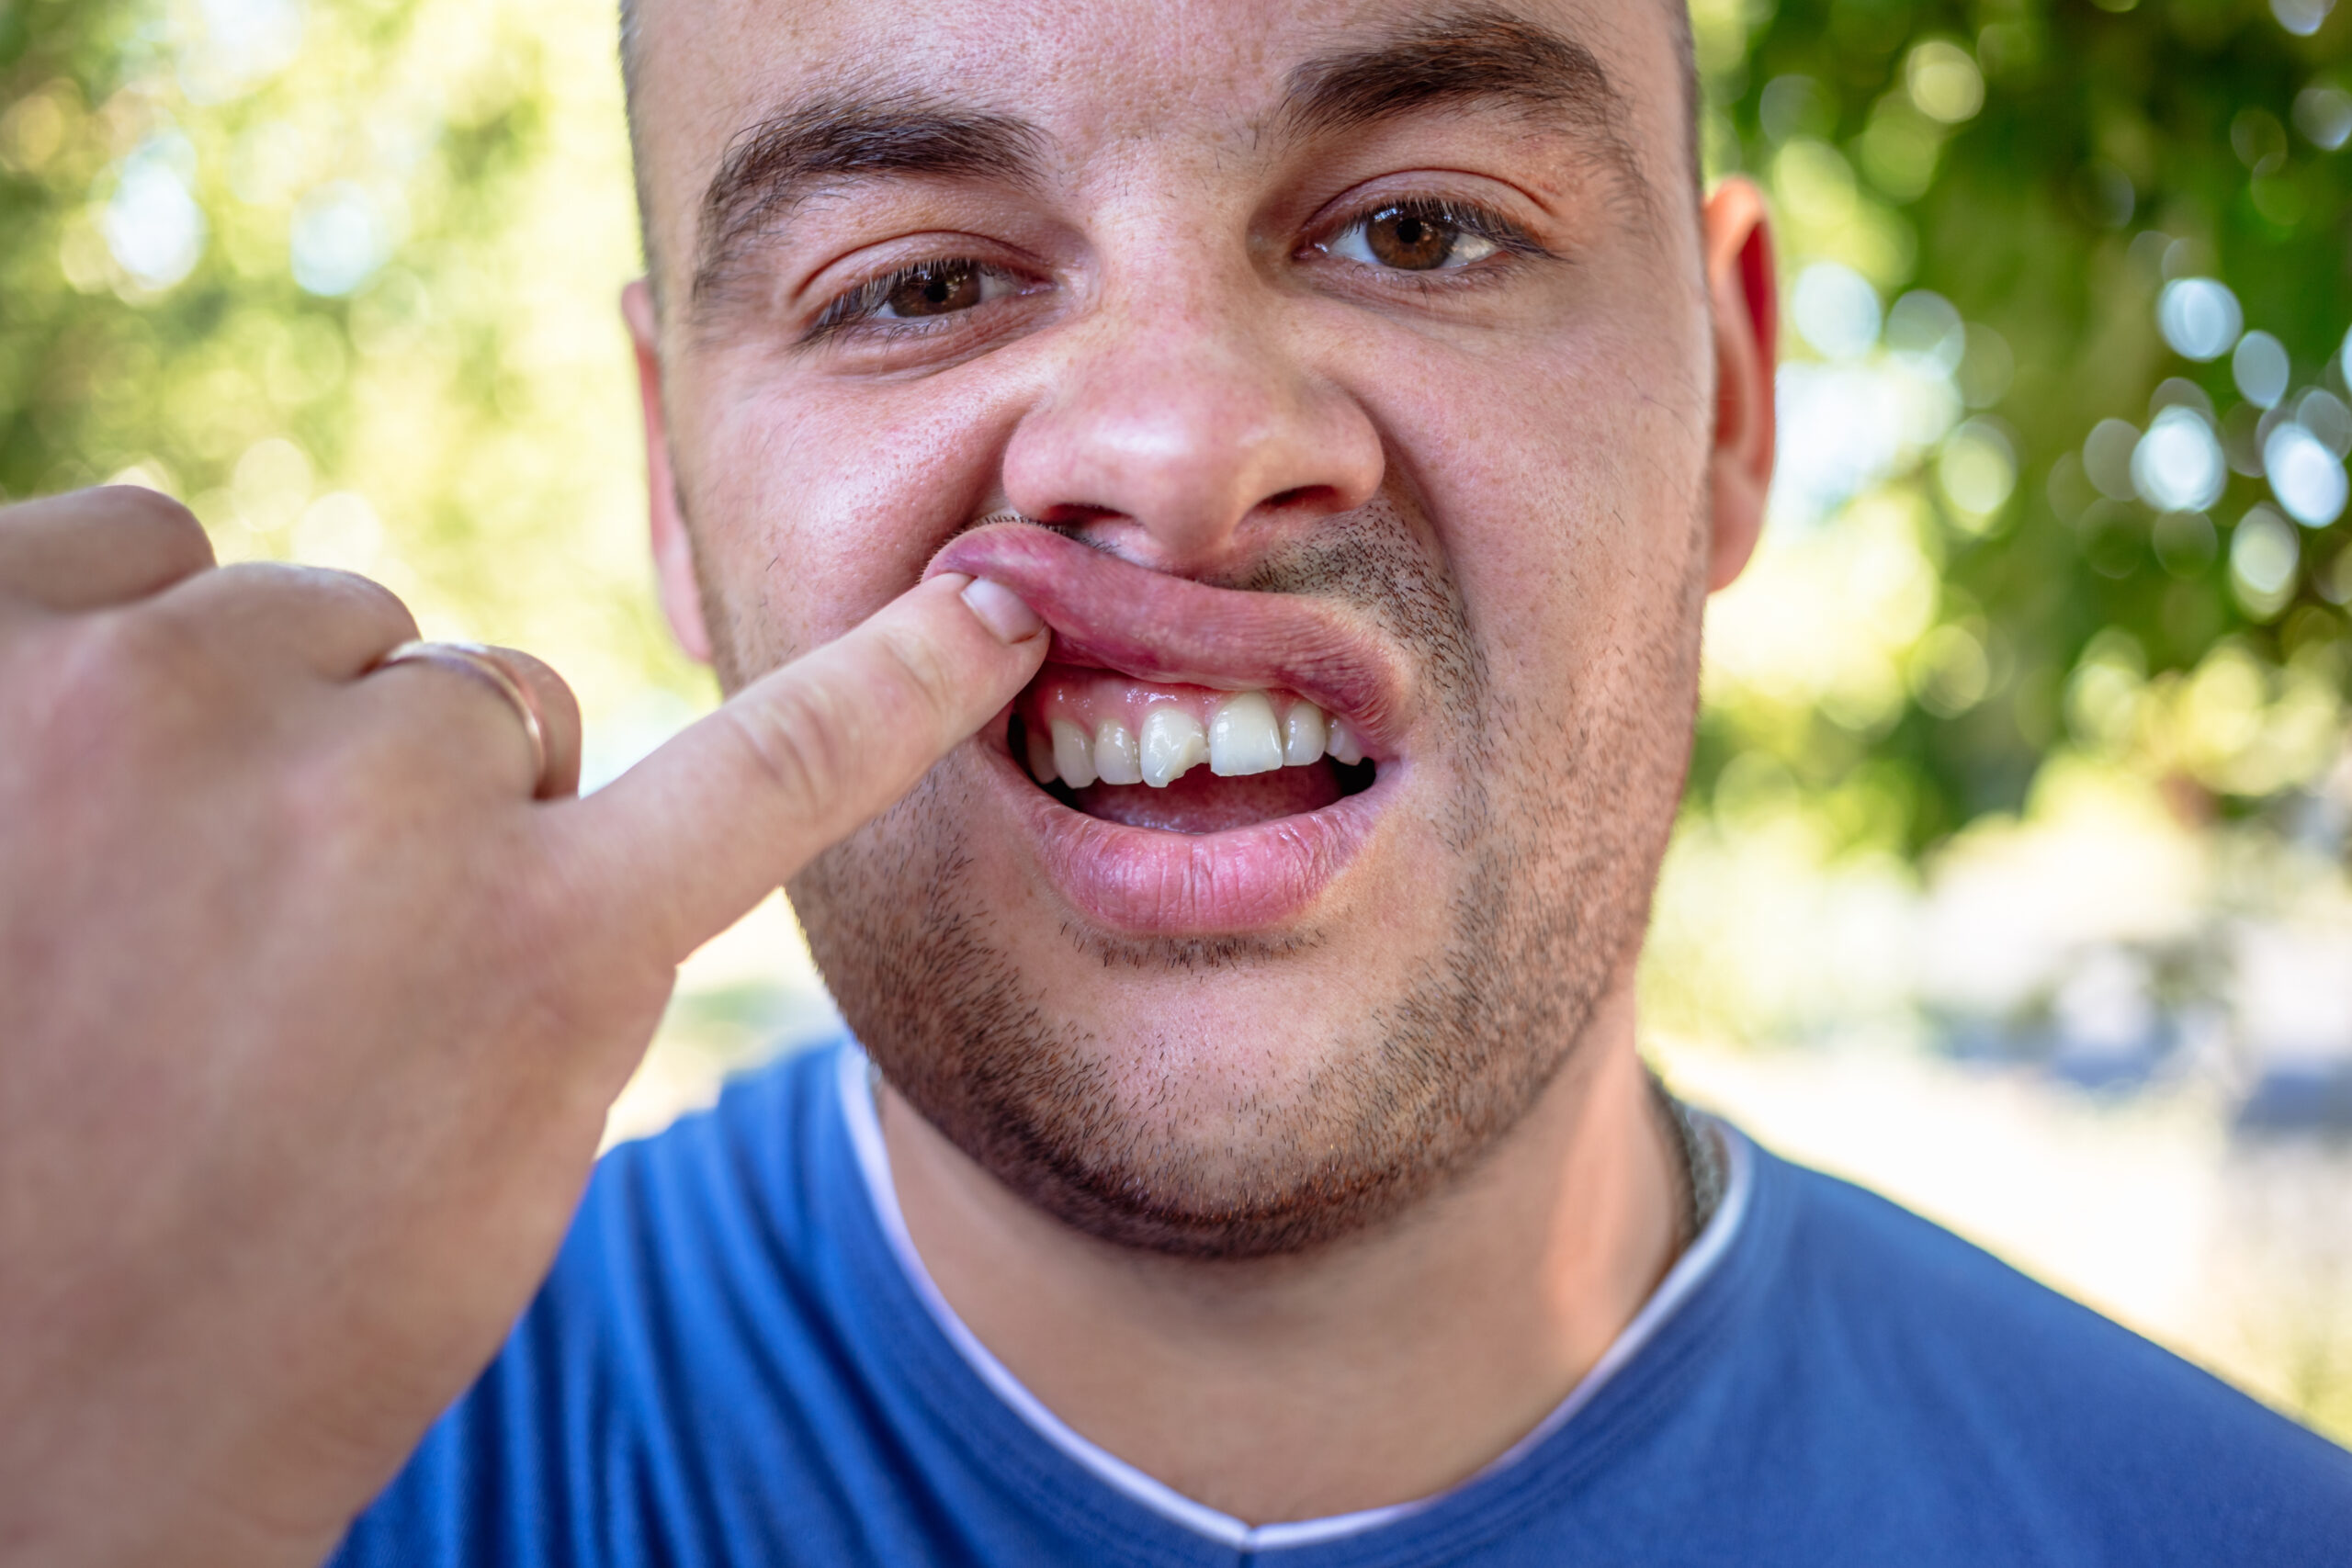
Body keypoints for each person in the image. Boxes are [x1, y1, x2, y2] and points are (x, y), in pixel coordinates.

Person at [1, 0, 2346, 1562]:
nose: (1180, 446)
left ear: (1731, 403)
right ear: (671, 489)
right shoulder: (207, 1468)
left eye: (1417, 226)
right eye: (915, 282)